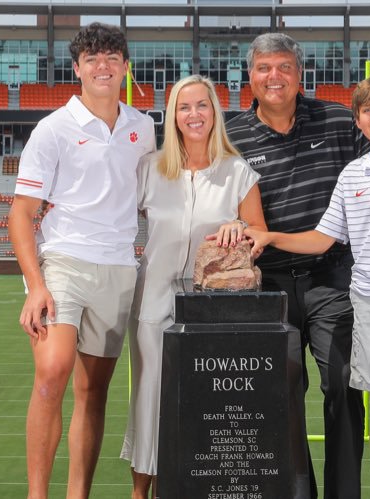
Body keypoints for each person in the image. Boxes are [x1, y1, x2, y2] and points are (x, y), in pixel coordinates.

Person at [223, 32, 370, 499]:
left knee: (342, 383)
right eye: (263, 68)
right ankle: (298, 491)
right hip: (268, 283)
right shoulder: (232, 133)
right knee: (282, 389)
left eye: (283, 67)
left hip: (332, 277)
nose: (273, 77)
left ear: (300, 75)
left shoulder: (338, 120)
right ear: (250, 77)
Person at [7, 22, 155, 499]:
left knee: (93, 394)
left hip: (118, 270)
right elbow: (22, 212)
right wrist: (36, 285)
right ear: (77, 69)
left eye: (112, 58)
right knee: (52, 373)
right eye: (92, 59)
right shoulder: (53, 129)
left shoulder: (143, 127)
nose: (103, 66)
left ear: (125, 67)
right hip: (64, 262)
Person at [121, 74, 267, 499]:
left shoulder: (237, 171)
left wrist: (238, 226)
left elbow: (259, 231)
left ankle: (189, 486)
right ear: (173, 116)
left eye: (202, 105)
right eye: (184, 107)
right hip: (153, 297)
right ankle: (140, 492)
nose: (194, 115)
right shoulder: (151, 168)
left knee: (202, 396)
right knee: (149, 392)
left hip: (212, 305)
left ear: (214, 113)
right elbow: (118, 218)